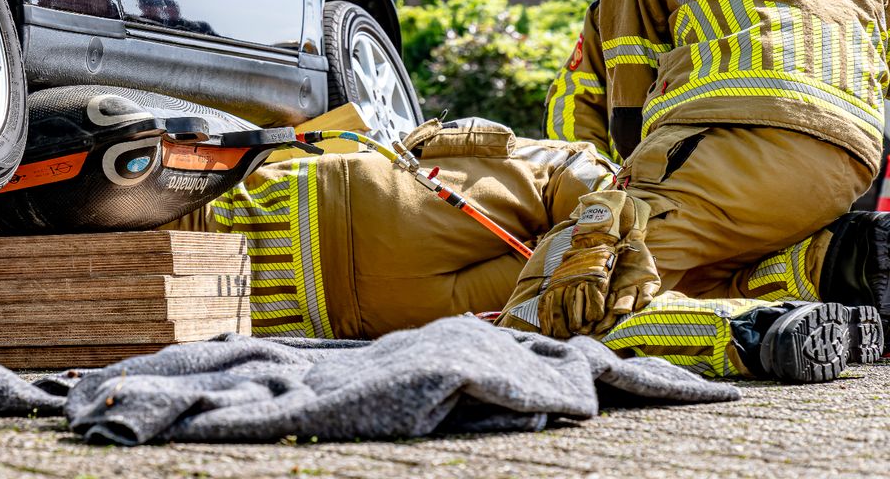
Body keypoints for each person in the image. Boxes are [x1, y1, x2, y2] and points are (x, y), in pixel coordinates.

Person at [498, 0, 890, 379]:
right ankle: (840, 266)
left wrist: (608, 206)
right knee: (711, 265)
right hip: (849, 165)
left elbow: (623, 109)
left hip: (732, 144)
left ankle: (754, 335)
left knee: (567, 301)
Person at [170, 116, 881, 382]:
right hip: (361, 238)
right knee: (597, 296)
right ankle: (809, 281)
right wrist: (597, 222)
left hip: (317, 298)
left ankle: (761, 332)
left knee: (585, 312)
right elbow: (581, 165)